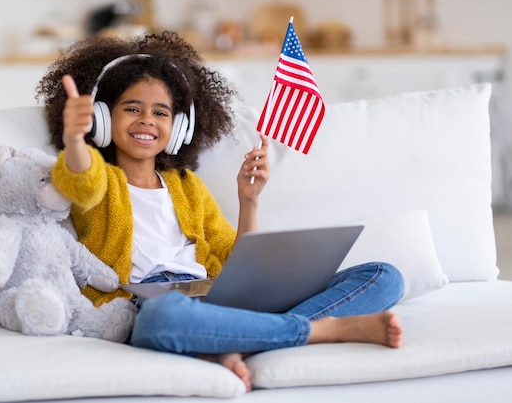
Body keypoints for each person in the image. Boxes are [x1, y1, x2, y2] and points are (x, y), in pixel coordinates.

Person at [37, 31, 404, 392]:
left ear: (179, 127)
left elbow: (239, 264)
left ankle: (232, 342)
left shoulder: (187, 187)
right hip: (148, 302)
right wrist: (73, 139)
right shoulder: (101, 181)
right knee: (162, 318)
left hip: (217, 296)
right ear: (102, 118)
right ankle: (322, 329)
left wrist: (249, 201)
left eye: (161, 112)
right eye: (132, 108)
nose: (147, 120)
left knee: (383, 276)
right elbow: (79, 180)